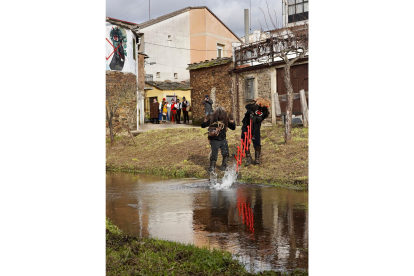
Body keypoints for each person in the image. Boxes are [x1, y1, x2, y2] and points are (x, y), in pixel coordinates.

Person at [201, 107, 236, 172]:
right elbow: (203, 125)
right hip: (214, 140)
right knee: (214, 154)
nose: (220, 115)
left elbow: (233, 127)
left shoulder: (225, 120)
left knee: (226, 154)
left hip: (223, 139)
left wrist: (232, 121)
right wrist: (205, 120)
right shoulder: (212, 119)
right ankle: (212, 167)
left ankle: (224, 166)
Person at [241, 98, 270, 165]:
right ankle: (248, 157)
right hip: (247, 126)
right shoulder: (252, 107)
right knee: (245, 141)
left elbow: (263, 116)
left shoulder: (264, 111)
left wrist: (256, 118)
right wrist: (251, 111)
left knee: (257, 141)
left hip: (256, 127)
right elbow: (247, 106)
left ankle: (257, 159)